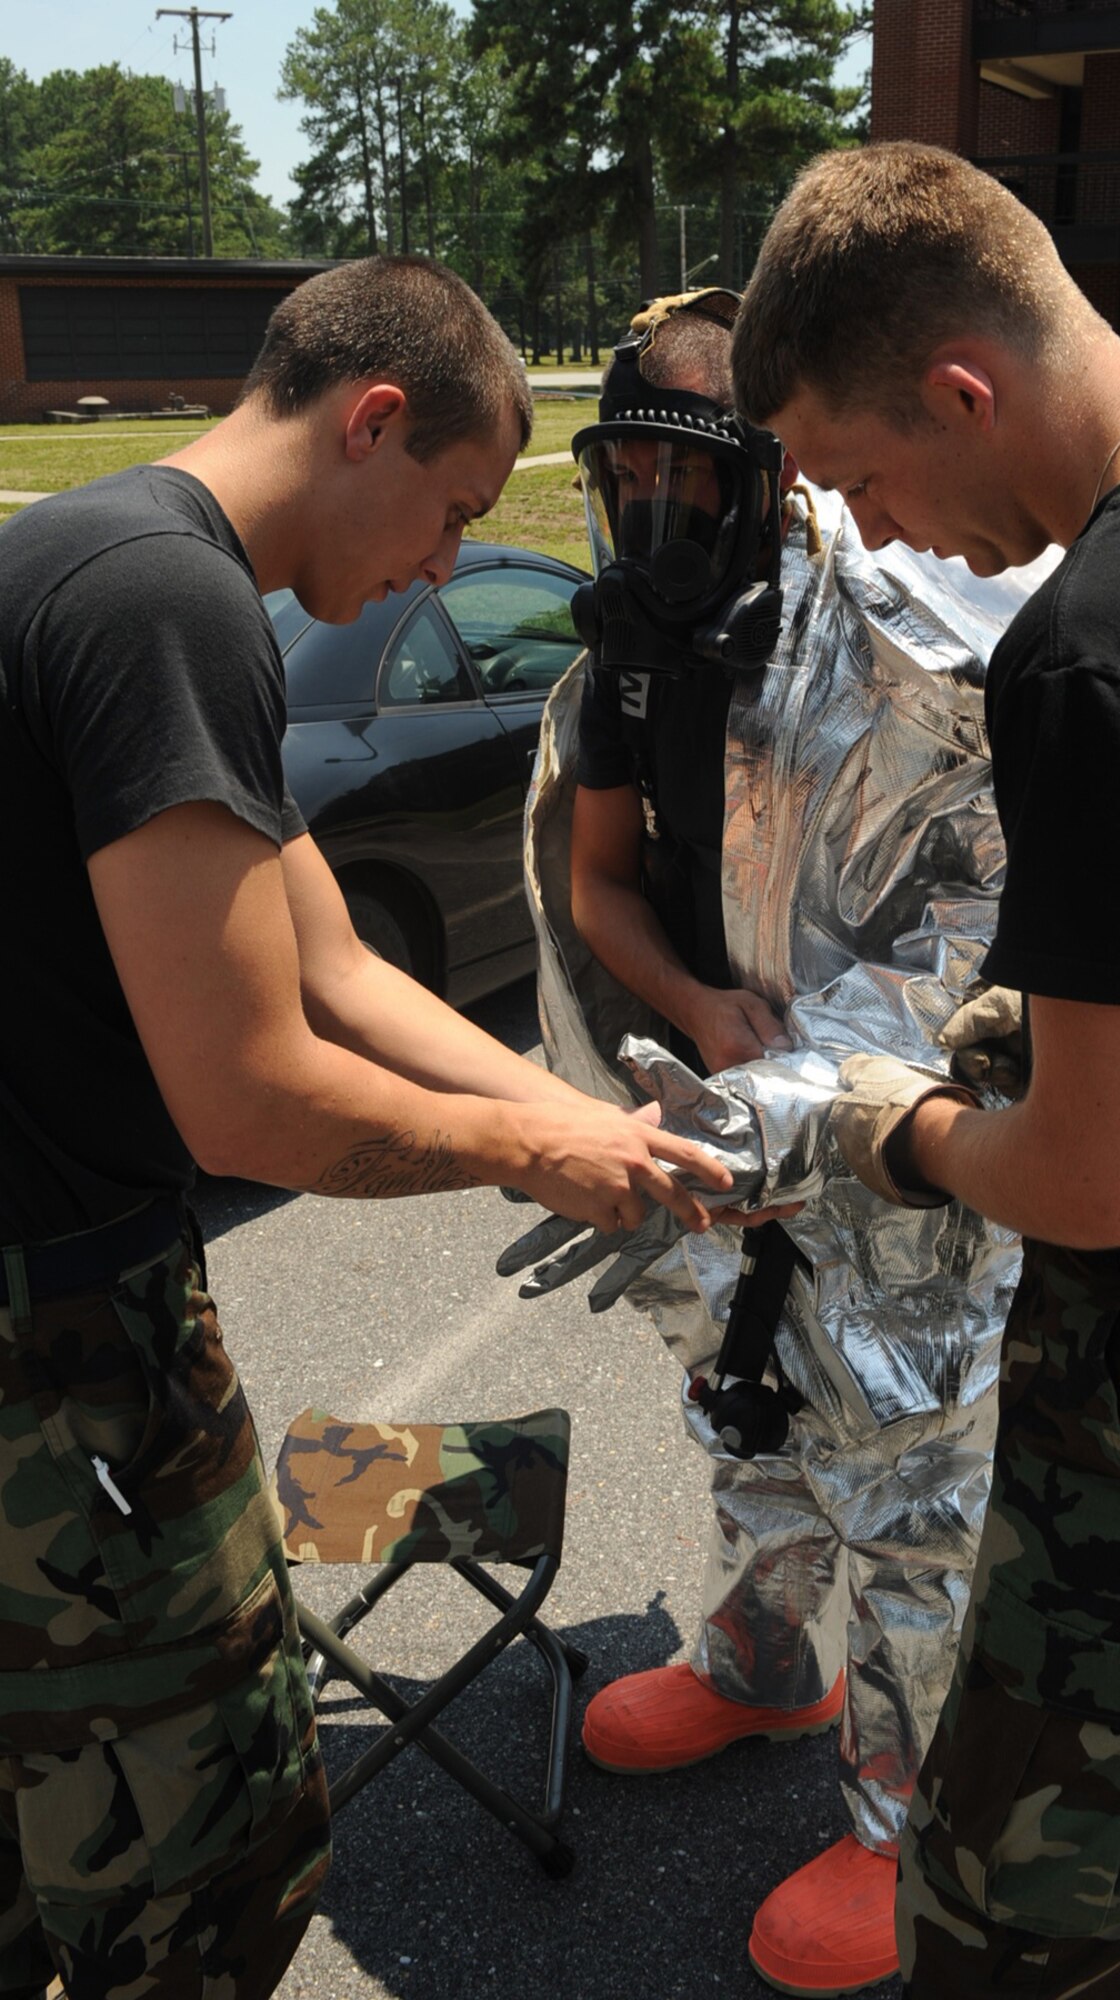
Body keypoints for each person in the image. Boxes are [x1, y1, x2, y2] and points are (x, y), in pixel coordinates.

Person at [0, 253, 735, 2000]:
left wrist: (573, 1106)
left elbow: (325, 956)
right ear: (373, 419)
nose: (440, 561)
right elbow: (247, 1093)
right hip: (58, 1349)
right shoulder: (163, 609)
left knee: (41, 1820)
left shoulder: (94, 551)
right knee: (207, 1848)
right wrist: (534, 1156)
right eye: (456, 511)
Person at [730, 140, 1120, 1999]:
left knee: (1015, 1921)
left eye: (867, 480)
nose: (889, 541)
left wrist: (885, 1128)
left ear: (961, 388)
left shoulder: (1107, 648)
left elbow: (1099, 1182)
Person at [515, 289, 1039, 1995]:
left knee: (908, 1479)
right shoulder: (627, 656)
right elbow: (597, 881)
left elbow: (973, 951)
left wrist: (792, 1082)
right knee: (741, 1422)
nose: (655, 521)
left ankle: (908, 1835)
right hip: (697, 1125)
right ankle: (757, 1666)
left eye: (695, 479)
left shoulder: (915, 656)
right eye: (626, 479)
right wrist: (687, 1007)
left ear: (779, 474)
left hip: (885, 1155)